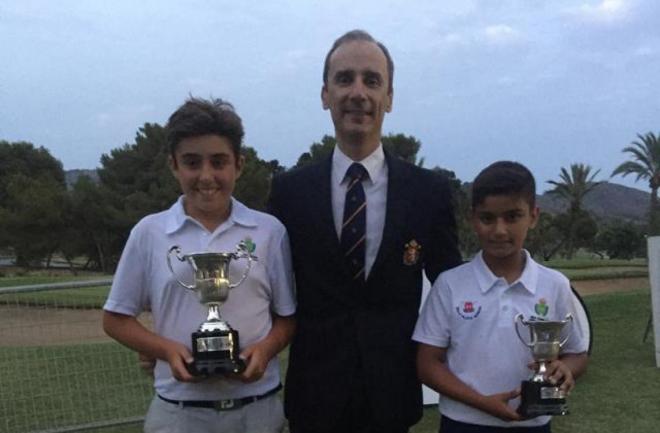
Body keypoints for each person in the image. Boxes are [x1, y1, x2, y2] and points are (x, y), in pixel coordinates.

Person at [268, 30, 462, 433]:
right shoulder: (289, 191)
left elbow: (452, 290)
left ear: (389, 97)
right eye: (345, 79)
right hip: (313, 398)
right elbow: (263, 286)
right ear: (325, 95)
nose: (358, 92)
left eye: (372, 81)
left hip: (392, 397)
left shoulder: (428, 192)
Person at [102, 97, 296, 433]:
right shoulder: (149, 232)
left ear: (239, 164)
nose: (206, 176)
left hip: (257, 409)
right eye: (192, 162)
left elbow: (287, 317)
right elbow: (115, 318)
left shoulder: (269, 232)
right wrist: (166, 351)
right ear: (174, 165)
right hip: (179, 413)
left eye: (219, 162)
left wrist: (265, 349)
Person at [413, 161, 589, 433]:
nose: (499, 230)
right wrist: (481, 402)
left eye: (512, 216)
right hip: (464, 423)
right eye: (487, 218)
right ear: (472, 218)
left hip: (533, 423)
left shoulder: (554, 284)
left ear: (533, 215)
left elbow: (577, 353)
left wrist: (565, 370)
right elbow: (427, 363)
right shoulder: (450, 284)